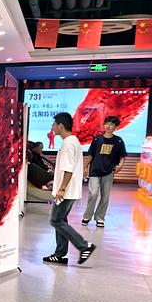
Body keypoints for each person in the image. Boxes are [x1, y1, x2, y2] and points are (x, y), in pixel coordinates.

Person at [43, 112, 96, 265]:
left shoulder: (68, 143)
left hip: (66, 191)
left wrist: (62, 188)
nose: (53, 127)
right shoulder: (73, 141)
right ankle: (60, 254)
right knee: (61, 219)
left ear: (60, 125)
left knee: (56, 220)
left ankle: (84, 246)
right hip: (67, 189)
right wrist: (57, 182)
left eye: (54, 124)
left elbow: (68, 169)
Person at [81, 116, 128, 227]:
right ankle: (87, 216)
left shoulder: (118, 141)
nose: (108, 126)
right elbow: (91, 154)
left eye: (111, 124)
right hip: (95, 170)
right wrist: (85, 167)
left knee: (105, 196)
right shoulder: (97, 139)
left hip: (109, 171)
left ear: (116, 127)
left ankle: (100, 217)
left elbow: (122, 156)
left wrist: (120, 165)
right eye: (107, 123)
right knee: (93, 194)